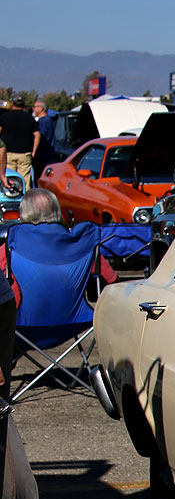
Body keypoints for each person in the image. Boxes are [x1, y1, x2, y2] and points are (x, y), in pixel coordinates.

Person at [0, 188, 116, 399]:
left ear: (23, 213)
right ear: (56, 211)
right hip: (73, 323)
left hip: (23, 327)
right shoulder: (80, 243)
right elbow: (111, 279)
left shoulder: (13, 244)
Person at [0, 96, 38, 190]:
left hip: (8, 153)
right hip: (25, 153)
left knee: (10, 177)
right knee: (25, 179)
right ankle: (25, 199)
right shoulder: (30, 118)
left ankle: (11, 195)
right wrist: (34, 151)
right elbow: (37, 135)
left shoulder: (4, 117)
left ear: (12, 104)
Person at [31, 100, 57, 177]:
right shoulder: (48, 120)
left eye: (35, 107)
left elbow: (41, 137)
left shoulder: (44, 121)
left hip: (42, 154)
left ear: (41, 108)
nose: (33, 109)